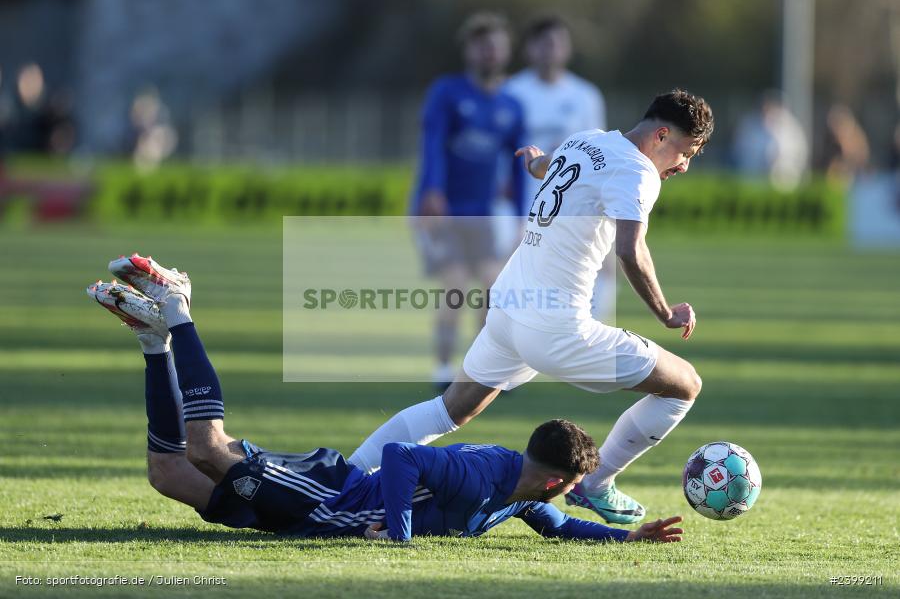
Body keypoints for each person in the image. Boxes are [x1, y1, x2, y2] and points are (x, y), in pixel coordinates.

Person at [85, 257, 682, 544]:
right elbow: (402, 457)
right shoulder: (482, 474)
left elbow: (560, 528)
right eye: (572, 484)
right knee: (206, 446)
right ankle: (181, 310)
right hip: (328, 494)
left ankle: (154, 342)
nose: (570, 493)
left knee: (168, 472)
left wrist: (629, 537)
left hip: (307, 521)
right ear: (556, 479)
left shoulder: (521, 498)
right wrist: (396, 531)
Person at [350, 89, 714, 525]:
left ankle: (348, 474)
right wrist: (665, 312)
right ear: (660, 135)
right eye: (686, 151)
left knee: (450, 409)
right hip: (557, 328)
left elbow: (548, 168)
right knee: (685, 384)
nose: (684, 166)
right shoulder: (638, 172)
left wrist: (534, 162)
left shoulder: (587, 140)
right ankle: (596, 485)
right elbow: (631, 250)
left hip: (508, 308)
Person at [412, 12, 526, 386]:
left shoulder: (512, 105)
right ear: (468, 51)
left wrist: (523, 215)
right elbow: (432, 146)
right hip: (442, 210)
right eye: (481, 45)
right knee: (457, 287)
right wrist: (433, 191)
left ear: (507, 50)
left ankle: (479, 373)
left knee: (495, 289)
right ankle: (443, 369)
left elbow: (519, 164)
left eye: (495, 44)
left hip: (481, 214)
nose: (489, 52)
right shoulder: (447, 92)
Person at [504, 14, 614, 322]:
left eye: (556, 43)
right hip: (522, 202)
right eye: (542, 43)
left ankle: (589, 332)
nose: (550, 50)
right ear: (529, 49)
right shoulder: (512, 92)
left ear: (567, 49)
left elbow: (597, 154)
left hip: (573, 202)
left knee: (603, 265)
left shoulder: (585, 95)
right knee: (514, 276)